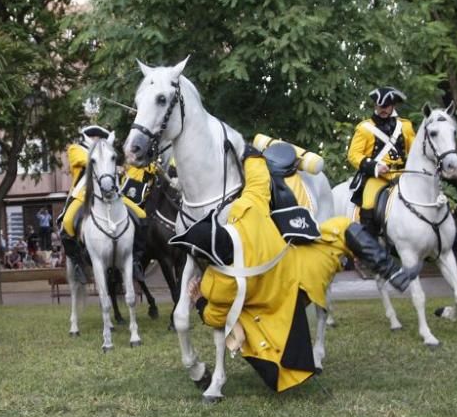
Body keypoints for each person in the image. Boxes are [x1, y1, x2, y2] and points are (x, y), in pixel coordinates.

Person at [172, 143, 419, 393]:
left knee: (254, 329)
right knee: (344, 227)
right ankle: (393, 272)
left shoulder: (216, 282)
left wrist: (200, 300)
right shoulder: (246, 213)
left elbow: (216, 316)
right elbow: (258, 181)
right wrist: (250, 153)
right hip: (303, 268)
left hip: (277, 309)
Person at [58, 125, 147, 284]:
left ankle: (136, 261)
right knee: (67, 222)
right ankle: (78, 265)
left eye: (100, 139)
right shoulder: (75, 149)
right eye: (94, 138)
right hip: (83, 194)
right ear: (87, 138)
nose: (97, 142)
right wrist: (104, 157)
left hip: (112, 194)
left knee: (141, 215)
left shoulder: (108, 152)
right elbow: (84, 159)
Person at [347, 86, 416, 237]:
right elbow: (353, 154)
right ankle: (368, 248)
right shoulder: (365, 128)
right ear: (375, 105)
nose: (382, 110)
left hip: (403, 175)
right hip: (377, 177)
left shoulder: (406, 126)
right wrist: (375, 167)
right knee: (368, 205)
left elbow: (414, 152)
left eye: (386, 107)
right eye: (380, 106)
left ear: (393, 106)